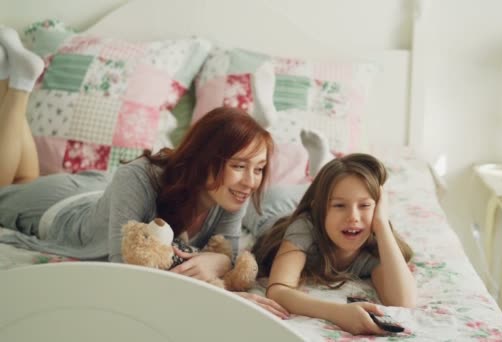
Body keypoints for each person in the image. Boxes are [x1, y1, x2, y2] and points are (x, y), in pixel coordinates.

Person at [0, 26, 288, 318]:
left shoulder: (232, 192)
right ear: (206, 159)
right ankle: (17, 83)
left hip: (102, 194)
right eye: (239, 166)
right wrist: (226, 297)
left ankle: (17, 78)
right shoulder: (139, 176)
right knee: (8, 189)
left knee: (24, 177)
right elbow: (124, 269)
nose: (251, 181)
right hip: (61, 208)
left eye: (260, 169)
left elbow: (230, 254)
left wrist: (218, 263)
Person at [250, 152, 417, 335]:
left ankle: (319, 169)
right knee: (258, 204)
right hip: (270, 210)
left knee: (328, 187)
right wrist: (338, 313)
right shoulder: (304, 228)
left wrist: (382, 224)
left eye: (365, 205)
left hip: (317, 199)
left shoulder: (374, 243)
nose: (353, 217)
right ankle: (316, 169)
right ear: (319, 211)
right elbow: (278, 290)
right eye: (339, 206)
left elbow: (403, 301)